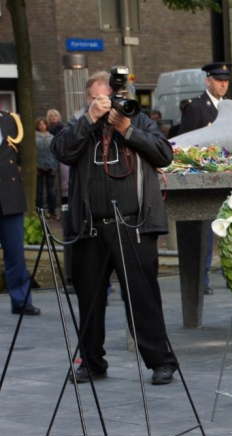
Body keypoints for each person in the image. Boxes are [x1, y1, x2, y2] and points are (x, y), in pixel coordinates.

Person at [50, 71, 177, 385]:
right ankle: (91, 362)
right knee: (90, 300)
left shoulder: (139, 120)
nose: (108, 104)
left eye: (112, 97)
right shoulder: (80, 124)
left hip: (132, 225)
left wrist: (127, 129)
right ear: (89, 100)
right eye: (100, 98)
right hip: (90, 227)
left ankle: (161, 362)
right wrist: (90, 119)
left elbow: (165, 154)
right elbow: (61, 151)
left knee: (143, 299)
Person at [180, 62, 232, 295]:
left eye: (226, 80)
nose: (223, 84)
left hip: (228, 177)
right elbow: (185, 143)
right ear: (208, 81)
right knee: (204, 232)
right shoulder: (196, 107)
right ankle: (200, 279)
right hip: (205, 178)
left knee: (230, 228)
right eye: (219, 80)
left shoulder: (231, 107)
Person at [0, 110, 41, 316]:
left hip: (10, 196)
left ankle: (21, 300)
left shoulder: (10, 119)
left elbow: (22, 154)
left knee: (15, 253)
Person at [35, 117, 59, 220]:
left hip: (50, 167)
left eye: (43, 124)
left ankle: (52, 212)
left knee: (51, 192)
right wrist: (35, 168)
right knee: (39, 192)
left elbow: (55, 153)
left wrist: (54, 167)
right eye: (40, 124)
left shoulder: (52, 137)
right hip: (39, 167)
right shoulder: (34, 138)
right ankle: (40, 213)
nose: (42, 126)